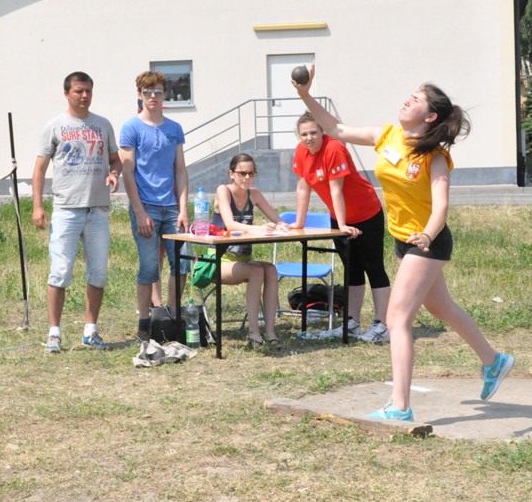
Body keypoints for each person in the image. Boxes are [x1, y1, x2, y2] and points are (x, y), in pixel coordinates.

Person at [293, 66, 514, 422]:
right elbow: (336, 129)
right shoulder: (387, 136)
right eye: (410, 95)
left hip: (427, 242)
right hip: (402, 238)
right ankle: (494, 361)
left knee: (396, 319)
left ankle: (400, 407)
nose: (407, 100)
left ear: (429, 116)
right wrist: (305, 95)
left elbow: (440, 206)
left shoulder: (434, 156)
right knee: (441, 307)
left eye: (417, 99)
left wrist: (427, 234)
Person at [32, 72, 122, 353]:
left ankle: (90, 330)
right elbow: (39, 169)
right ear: (67, 93)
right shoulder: (55, 126)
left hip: (97, 211)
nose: (84, 96)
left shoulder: (103, 125)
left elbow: (115, 160)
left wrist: (114, 174)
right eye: (78, 91)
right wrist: (37, 206)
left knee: (98, 273)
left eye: (88, 91)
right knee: (60, 273)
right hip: (66, 210)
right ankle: (54, 333)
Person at [292, 112, 391, 343]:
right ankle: (352, 323)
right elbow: (303, 187)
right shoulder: (301, 151)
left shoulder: (334, 148)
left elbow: (336, 189)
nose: (309, 138)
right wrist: (299, 222)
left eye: (313, 132)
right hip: (339, 217)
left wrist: (344, 224)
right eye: (304, 134)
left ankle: (383, 325)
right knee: (352, 271)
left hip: (366, 213)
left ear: (322, 132)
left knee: (373, 268)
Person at [119, 71, 189, 342]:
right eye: (147, 92)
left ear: (165, 95)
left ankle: (170, 317)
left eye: (158, 92)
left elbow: (180, 170)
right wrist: (139, 211)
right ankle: (145, 321)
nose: (153, 96)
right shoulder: (131, 128)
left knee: (182, 264)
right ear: (139, 95)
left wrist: (183, 209)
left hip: (171, 207)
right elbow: (127, 172)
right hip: (145, 206)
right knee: (149, 266)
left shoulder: (174, 128)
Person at [211, 153, 290, 348]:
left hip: (243, 260)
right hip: (219, 261)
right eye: (242, 173)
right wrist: (259, 229)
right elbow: (230, 225)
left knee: (270, 269)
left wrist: (280, 225)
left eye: (251, 173)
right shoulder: (223, 190)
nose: (247, 177)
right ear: (231, 174)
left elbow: (278, 219)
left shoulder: (254, 194)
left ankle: (270, 331)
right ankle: (254, 333)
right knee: (256, 271)